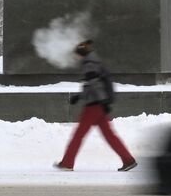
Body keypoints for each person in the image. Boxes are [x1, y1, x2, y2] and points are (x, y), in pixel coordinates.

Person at [56, 39, 137, 171]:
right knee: (110, 136)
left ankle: (67, 163)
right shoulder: (94, 62)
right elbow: (91, 85)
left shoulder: (89, 64)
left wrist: (100, 101)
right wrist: (81, 96)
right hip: (98, 105)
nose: (75, 57)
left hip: (93, 106)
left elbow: (93, 84)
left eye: (77, 54)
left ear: (81, 53)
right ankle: (128, 160)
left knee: (78, 134)